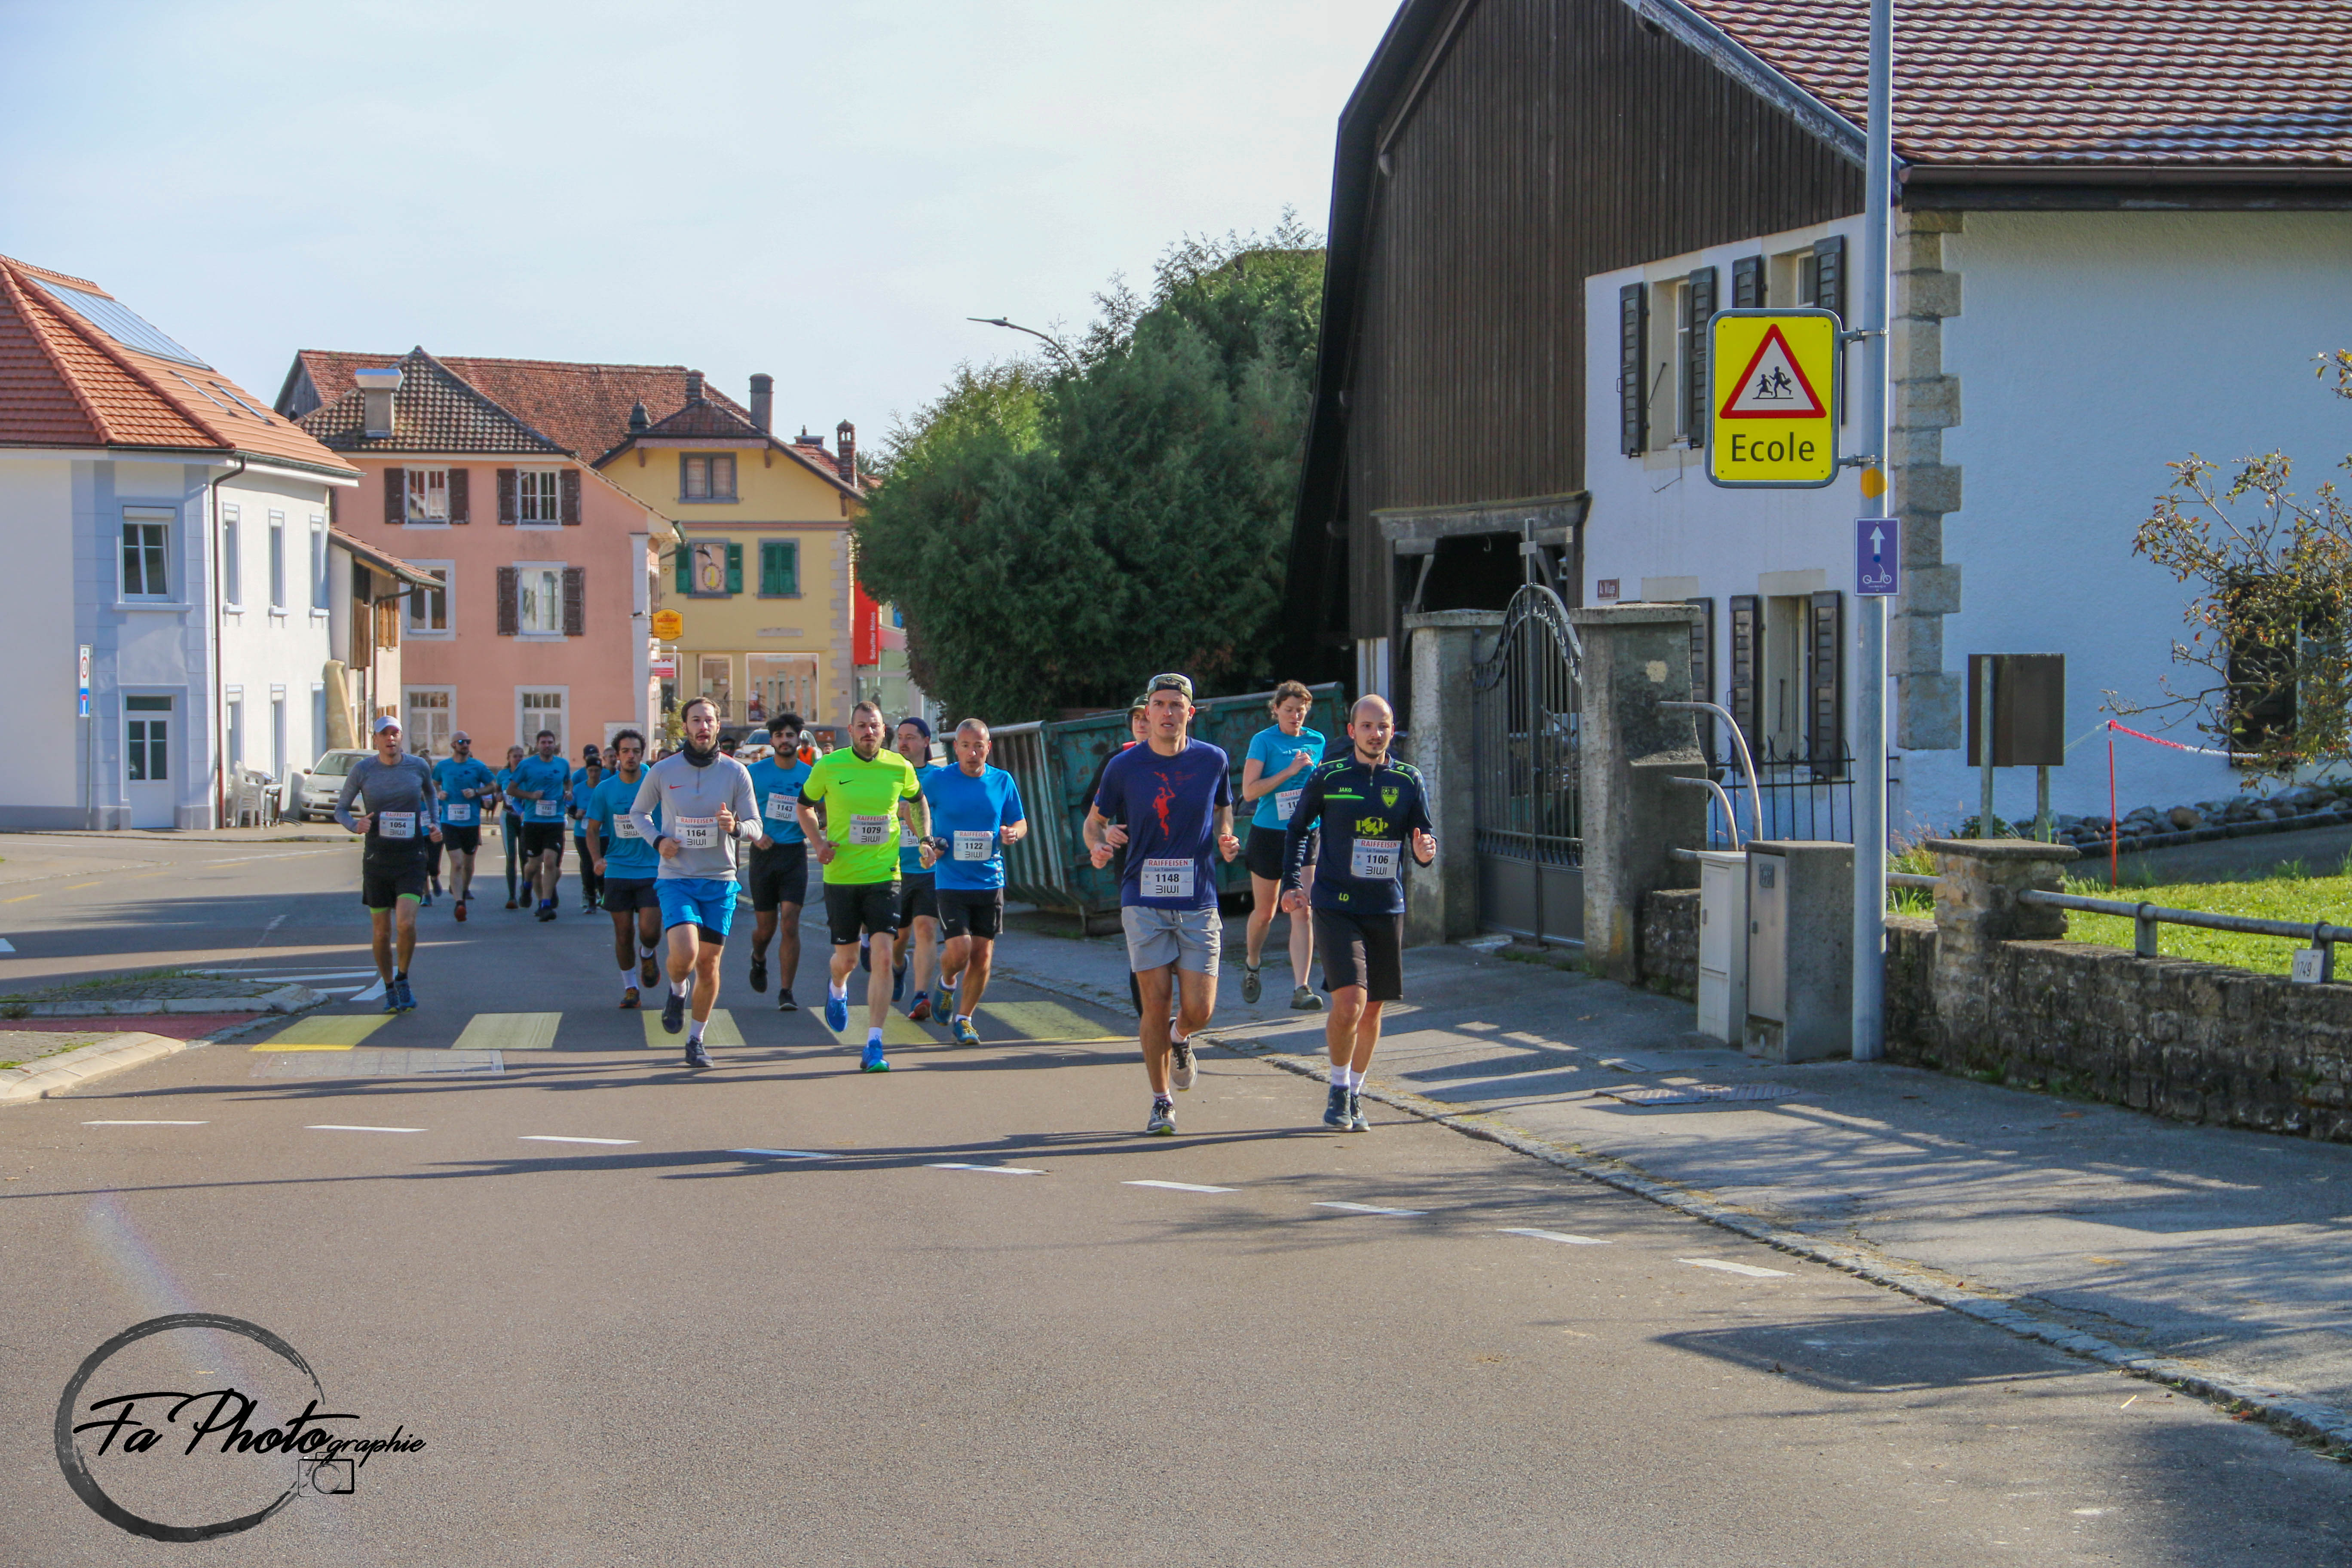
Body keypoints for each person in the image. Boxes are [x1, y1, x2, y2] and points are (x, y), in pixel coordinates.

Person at [1084, 673, 1240, 1136]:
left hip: (1198, 897)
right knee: (1155, 1002)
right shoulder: (1123, 766)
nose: (1167, 713)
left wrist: (1227, 837)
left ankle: (1181, 1037)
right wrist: (1099, 844)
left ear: (1190, 713)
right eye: (1159, 704)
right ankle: (1161, 1101)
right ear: (1146, 713)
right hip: (1142, 897)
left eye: (1176, 705)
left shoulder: (1213, 760)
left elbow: (1224, 808)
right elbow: (1094, 821)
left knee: (1200, 1009)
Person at [1281, 694, 1436, 1133]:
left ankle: (1355, 1091)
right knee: (1350, 1002)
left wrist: (1425, 852)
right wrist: (1292, 884)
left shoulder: (1408, 779)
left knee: (1372, 1010)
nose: (1375, 733)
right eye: (1367, 726)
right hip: (1336, 906)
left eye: (1383, 726)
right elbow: (1298, 829)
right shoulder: (1329, 776)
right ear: (1352, 731)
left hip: (1384, 907)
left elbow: (1424, 838)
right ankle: (1336, 1089)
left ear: (1392, 730)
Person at [627, 697, 765, 1067]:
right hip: (677, 877)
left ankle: (696, 1040)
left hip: (719, 881)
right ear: (686, 727)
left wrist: (735, 827)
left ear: (718, 726)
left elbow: (756, 826)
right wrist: (659, 841)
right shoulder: (664, 770)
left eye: (709, 720)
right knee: (686, 955)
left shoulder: (736, 772)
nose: (703, 727)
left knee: (708, 964)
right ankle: (677, 990)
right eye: (696, 720)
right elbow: (638, 813)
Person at [797, 700, 927, 1073]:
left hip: (885, 874)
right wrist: (818, 844)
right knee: (848, 960)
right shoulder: (829, 766)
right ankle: (837, 988)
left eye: (875, 726)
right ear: (851, 731)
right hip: (842, 876)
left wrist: (925, 839)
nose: (869, 732)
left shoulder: (899, 767)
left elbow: (918, 801)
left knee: (883, 956)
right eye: (862, 726)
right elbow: (804, 806)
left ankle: (874, 1043)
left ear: (883, 731)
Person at [924, 719, 1027, 1046]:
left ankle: (965, 1019)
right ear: (955, 748)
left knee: (982, 955)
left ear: (988, 748)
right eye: (966, 746)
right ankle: (947, 981)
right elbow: (910, 808)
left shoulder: (1002, 781)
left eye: (978, 746)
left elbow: (1020, 821)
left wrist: (1014, 833)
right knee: (960, 950)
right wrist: (927, 841)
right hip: (951, 880)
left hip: (990, 880)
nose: (972, 753)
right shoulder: (938, 780)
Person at [334, 716, 442, 1013]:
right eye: (385, 734)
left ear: (402, 737)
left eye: (395, 733)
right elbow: (340, 810)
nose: (390, 739)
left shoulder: (418, 766)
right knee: (382, 932)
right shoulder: (363, 770)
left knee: (406, 924)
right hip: (378, 858)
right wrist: (355, 825)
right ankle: (389, 986)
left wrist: (435, 823)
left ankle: (403, 977)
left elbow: (431, 794)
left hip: (411, 856)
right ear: (376, 739)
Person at [1240, 681, 1327, 1011]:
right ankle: (1252, 963)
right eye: (1289, 710)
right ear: (1276, 709)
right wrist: (1290, 771)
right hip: (1269, 834)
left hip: (1305, 833)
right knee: (1266, 912)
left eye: (1301, 711)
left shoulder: (1317, 740)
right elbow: (1249, 792)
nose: (1295, 716)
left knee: (1303, 908)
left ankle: (1301, 988)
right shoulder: (1263, 741)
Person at [1081, 698, 1152, 1017]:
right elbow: (1091, 808)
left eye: (1146, 717)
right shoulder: (1117, 760)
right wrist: (1106, 831)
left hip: (1178, 866)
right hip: (1132, 866)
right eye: (1136, 718)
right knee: (1142, 947)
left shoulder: (1188, 759)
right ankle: (1149, 1020)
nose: (1141, 724)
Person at [742, 711, 815, 1011]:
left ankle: (787, 991)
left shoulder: (810, 774)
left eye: (790, 735)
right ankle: (758, 957)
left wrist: (816, 828)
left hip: (794, 854)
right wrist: (755, 835)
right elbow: (738, 813)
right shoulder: (754, 773)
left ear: (799, 739)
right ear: (772, 741)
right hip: (764, 854)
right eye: (779, 736)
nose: (785, 740)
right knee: (766, 929)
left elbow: (823, 811)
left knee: (790, 923)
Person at [586, 730, 663, 1008]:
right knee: (623, 933)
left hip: (653, 868)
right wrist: (597, 859)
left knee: (650, 931)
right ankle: (631, 987)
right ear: (617, 756)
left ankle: (648, 953)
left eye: (636, 751)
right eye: (626, 751)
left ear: (643, 754)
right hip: (618, 869)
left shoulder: (656, 784)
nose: (631, 756)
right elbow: (592, 830)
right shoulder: (605, 790)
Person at [891, 717, 945, 1020]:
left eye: (911, 737)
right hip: (893, 869)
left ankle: (920, 995)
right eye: (900, 737)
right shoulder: (887, 775)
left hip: (928, 869)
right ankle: (898, 967)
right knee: (899, 937)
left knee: (925, 928)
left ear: (926, 741)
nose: (904, 743)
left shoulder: (939, 778)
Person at [431, 731, 497, 922]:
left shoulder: (478, 766)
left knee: (468, 864)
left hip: (471, 822)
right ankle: (459, 903)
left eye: (468, 742)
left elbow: (493, 785)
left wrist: (476, 792)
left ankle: (463, 889)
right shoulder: (443, 766)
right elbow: (433, 784)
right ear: (453, 745)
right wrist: (439, 794)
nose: (465, 745)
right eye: (461, 742)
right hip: (449, 822)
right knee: (457, 863)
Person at [508, 731, 572, 922]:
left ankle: (545, 905)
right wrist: (531, 796)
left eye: (550, 742)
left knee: (551, 862)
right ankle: (527, 885)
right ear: (537, 745)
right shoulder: (527, 765)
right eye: (543, 742)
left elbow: (568, 782)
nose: (547, 746)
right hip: (533, 821)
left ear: (555, 745)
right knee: (534, 865)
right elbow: (511, 790)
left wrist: (568, 792)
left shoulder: (562, 764)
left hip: (555, 821)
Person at [569, 744, 606, 913]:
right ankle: (591, 899)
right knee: (587, 864)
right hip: (582, 833)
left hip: (603, 833)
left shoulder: (605, 787)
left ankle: (604, 895)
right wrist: (576, 813)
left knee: (602, 863)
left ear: (601, 771)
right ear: (586, 771)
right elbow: (570, 808)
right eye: (591, 771)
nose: (594, 774)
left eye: (597, 771)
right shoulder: (579, 788)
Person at [495, 745, 527, 909]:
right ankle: (512, 896)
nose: (518, 759)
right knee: (512, 856)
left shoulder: (527, 773)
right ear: (509, 758)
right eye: (515, 756)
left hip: (524, 817)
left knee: (525, 856)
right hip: (508, 816)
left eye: (521, 756)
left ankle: (525, 889)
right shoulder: (503, 775)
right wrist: (498, 796)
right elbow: (497, 792)